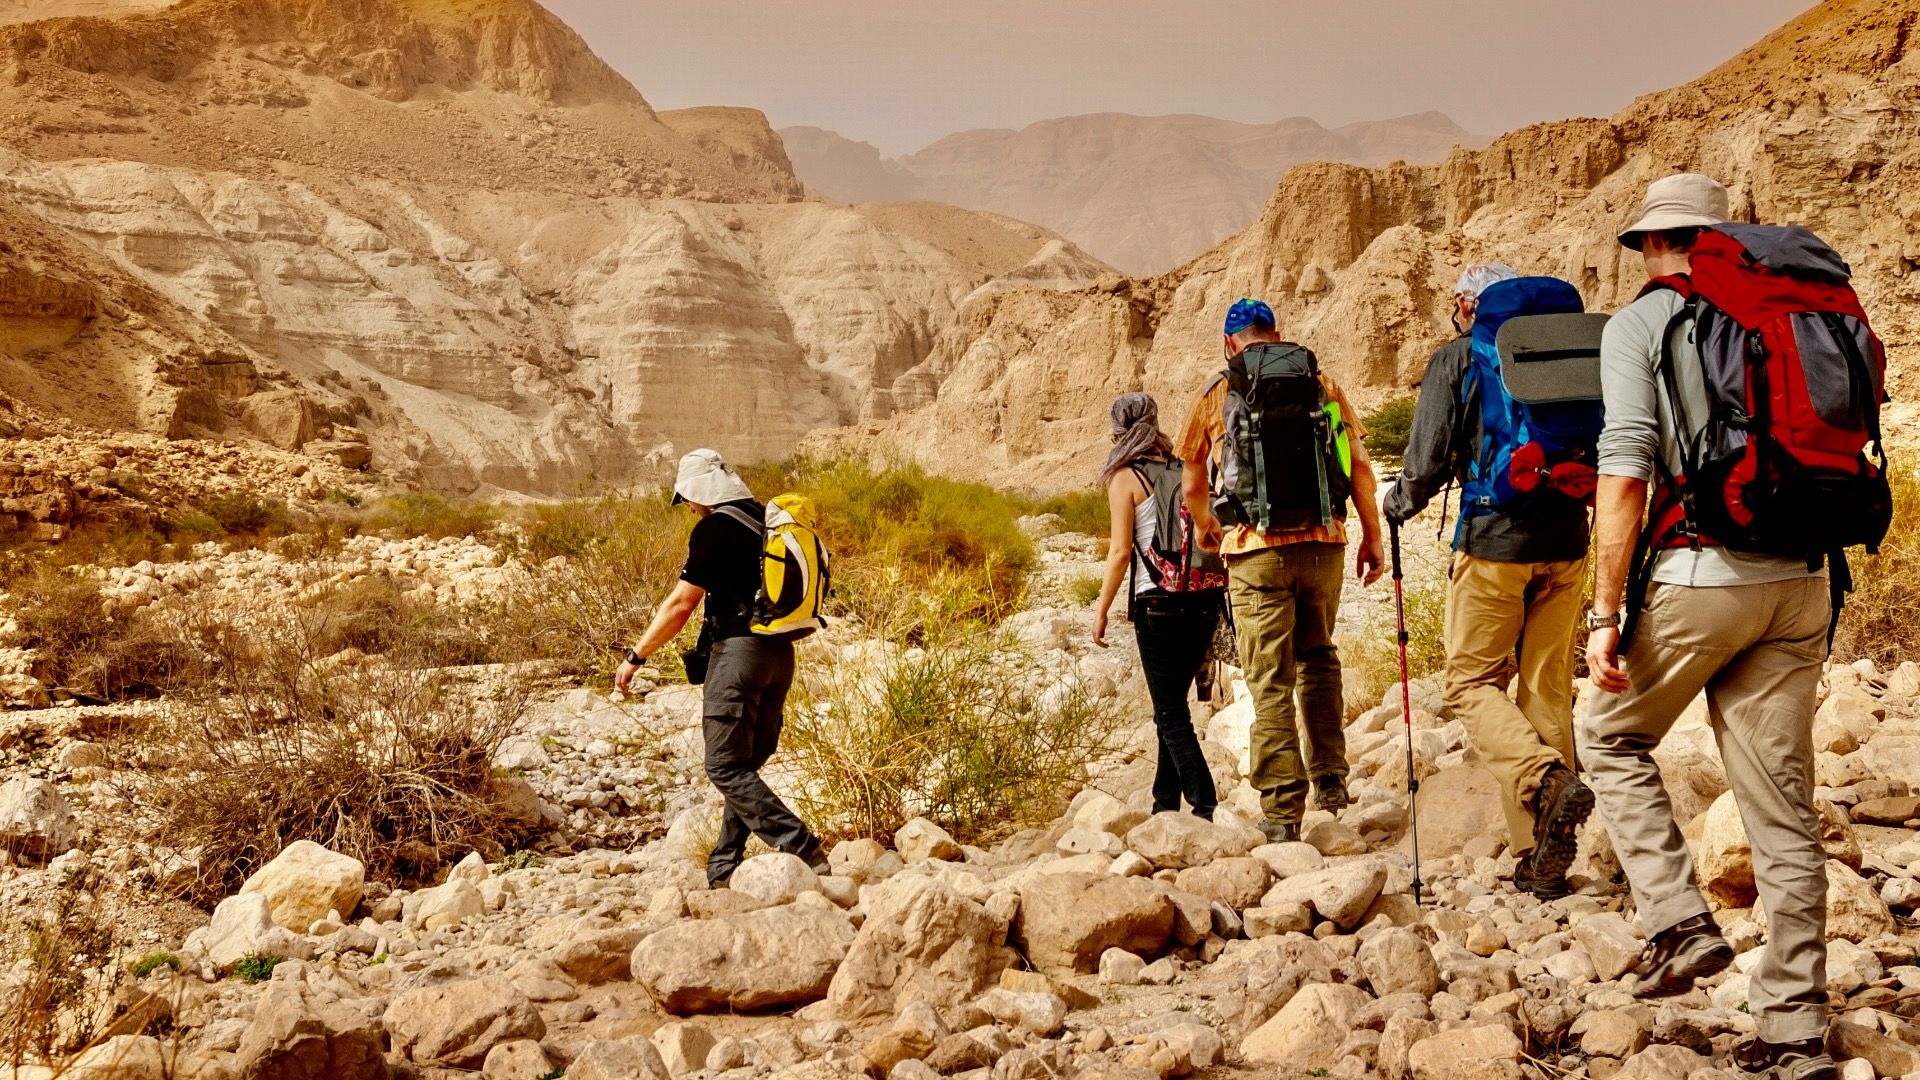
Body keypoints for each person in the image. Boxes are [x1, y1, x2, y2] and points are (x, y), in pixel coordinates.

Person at [1584, 173, 1834, 1080]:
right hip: (1804, 580)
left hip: (1701, 575)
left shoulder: (1642, 323)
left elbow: (1625, 472)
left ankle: (1680, 925)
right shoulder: (1797, 307)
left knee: (1608, 736)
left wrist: (1606, 615)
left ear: (1653, 244)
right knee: (1781, 804)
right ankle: (1797, 1024)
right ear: (1723, 237)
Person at [1383, 262, 1596, 900]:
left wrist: (1396, 507)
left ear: (1467, 305)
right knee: (1546, 689)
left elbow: (1424, 460)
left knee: (1471, 681)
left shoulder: (1460, 358)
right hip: (1568, 540)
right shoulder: (1572, 353)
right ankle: (1537, 857)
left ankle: (1543, 779)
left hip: (1495, 540)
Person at [1177, 298, 1384, 843]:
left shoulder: (1216, 393)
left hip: (1254, 550)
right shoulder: (1325, 384)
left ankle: (1283, 811)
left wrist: (1207, 527)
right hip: (1324, 546)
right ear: (1276, 334)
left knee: (1270, 678)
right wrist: (1372, 536)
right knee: (1319, 659)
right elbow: (1358, 465)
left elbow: (1194, 483)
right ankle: (1332, 781)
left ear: (1230, 342)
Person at [615, 448, 828, 886]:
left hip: (739, 658)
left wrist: (636, 656)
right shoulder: (765, 521)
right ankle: (724, 865)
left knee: (724, 766)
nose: (688, 507)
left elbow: (680, 605)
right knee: (746, 763)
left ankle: (801, 845)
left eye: (687, 499)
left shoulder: (715, 528)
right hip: (779, 655)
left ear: (701, 492)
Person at [1090, 393, 1223, 819]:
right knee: (1172, 707)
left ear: (1119, 429)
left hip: (1158, 604)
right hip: (1204, 599)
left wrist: (1101, 609)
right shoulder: (1184, 468)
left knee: (1169, 712)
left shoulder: (1125, 477)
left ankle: (1204, 801)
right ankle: (1164, 804)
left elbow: (1120, 553)